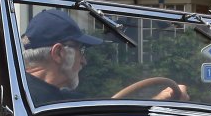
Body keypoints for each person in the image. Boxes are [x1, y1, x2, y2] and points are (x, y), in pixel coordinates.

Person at [21, 8, 188, 105]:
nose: (84, 61)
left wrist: (160, 99)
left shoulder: (29, 95)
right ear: (58, 53)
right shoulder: (41, 105)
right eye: (81, 50)